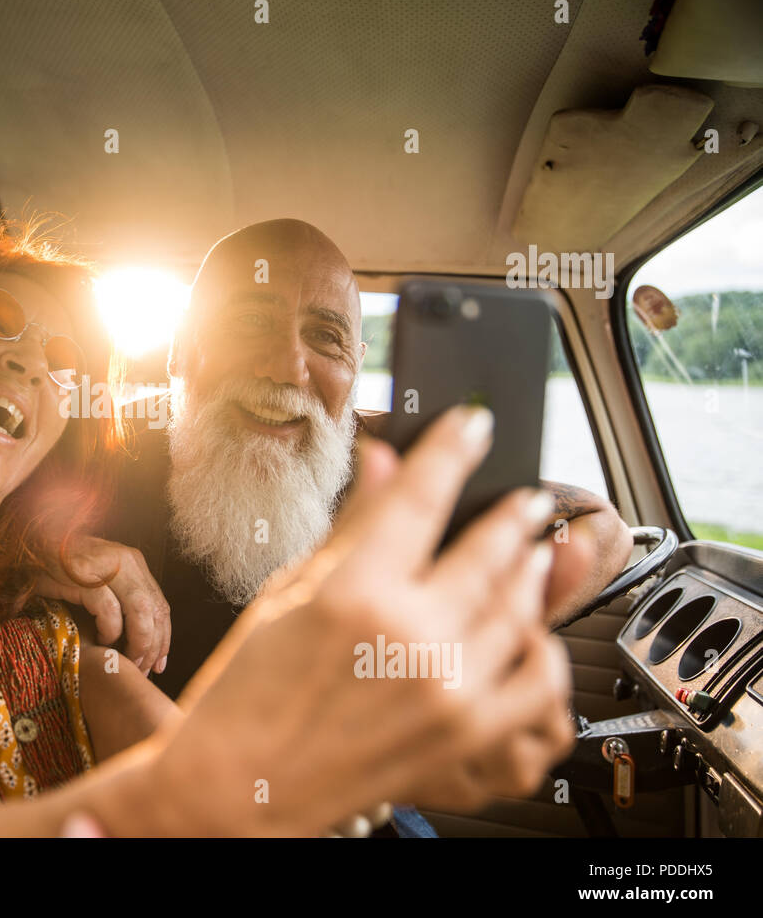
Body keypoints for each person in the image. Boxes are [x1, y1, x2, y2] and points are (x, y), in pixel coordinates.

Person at [0, 220, 582, 836]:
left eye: (62, 358)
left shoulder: (50, 644)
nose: (34, 366)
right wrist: (233, 764)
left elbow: (222, 788)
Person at [104, 218, 635, 702]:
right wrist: (56, 556)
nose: (289, 366)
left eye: (325, 337)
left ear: (356, 366)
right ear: (180, 347)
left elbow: (601, 530)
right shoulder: (106, 442)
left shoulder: (393, 461)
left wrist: (460, 649)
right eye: (249, 320)